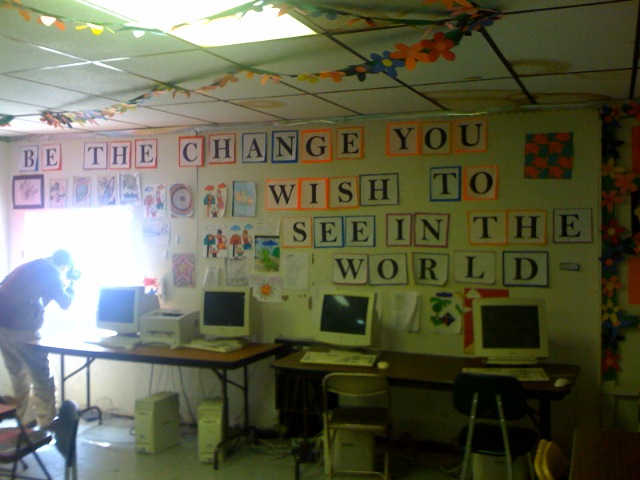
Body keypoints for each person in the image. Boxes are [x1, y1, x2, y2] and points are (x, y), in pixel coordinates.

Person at [0, 249, 76, 428]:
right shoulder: (53, 272)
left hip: (3, 327)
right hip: (23, 330)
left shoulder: (32, 265)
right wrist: (72, 286)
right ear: (65, 266)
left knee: (18, 377)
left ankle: (24, 422)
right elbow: (65, 302)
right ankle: (47, 424)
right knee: (43, 379)